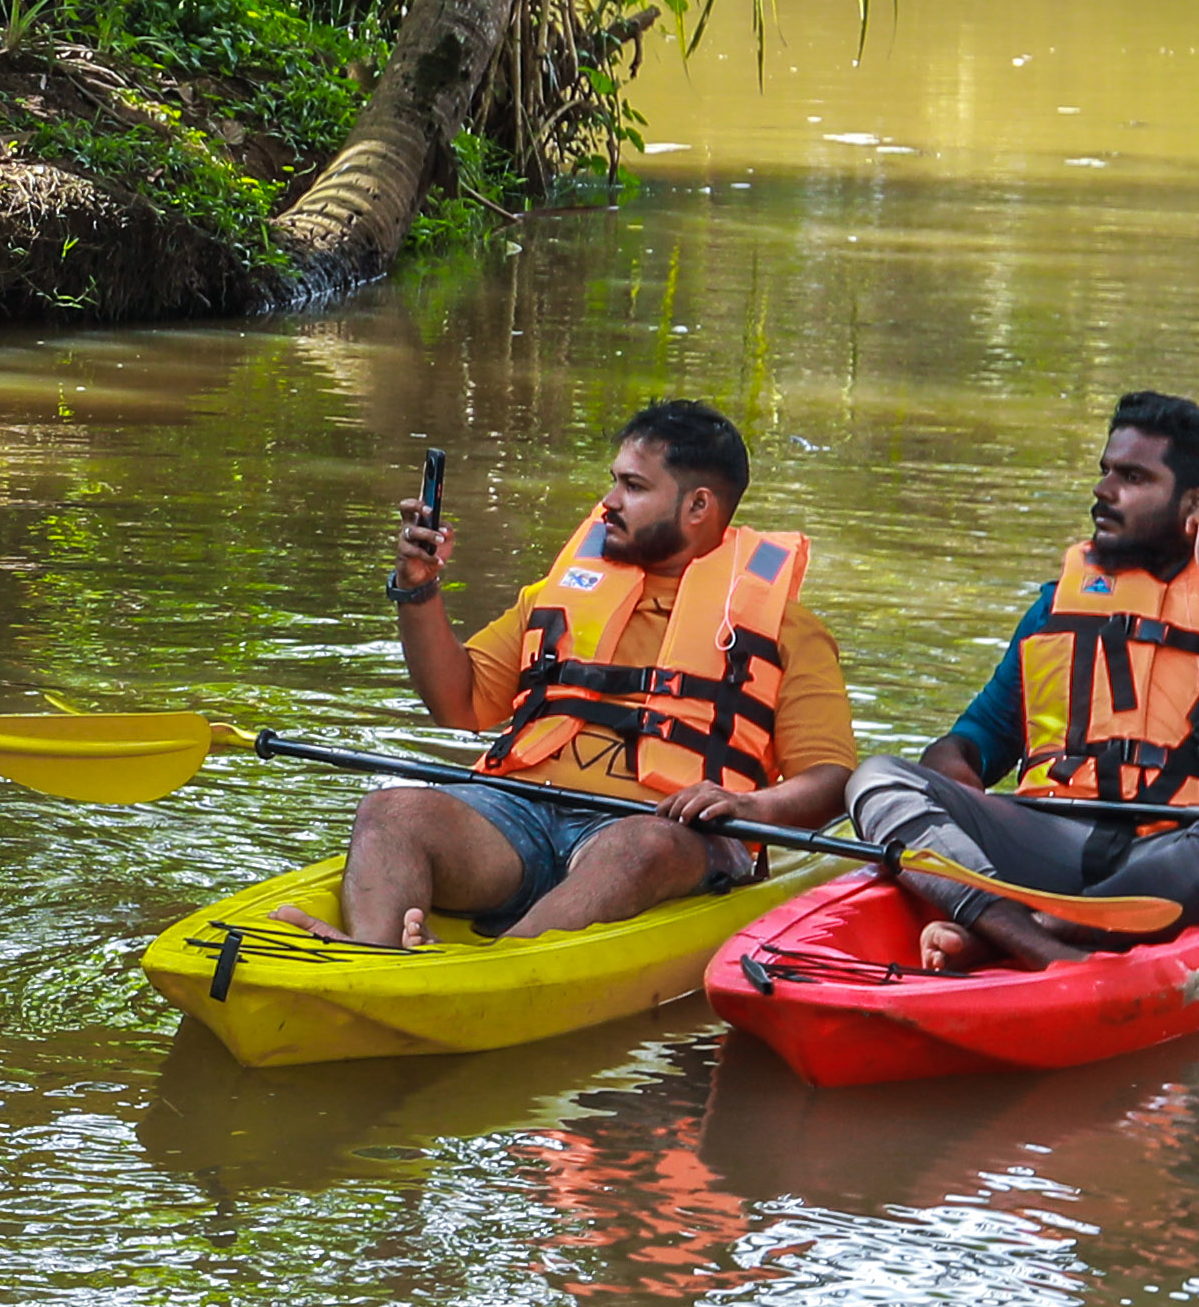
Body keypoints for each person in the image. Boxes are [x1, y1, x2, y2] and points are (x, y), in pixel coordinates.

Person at [839, 390, 1199, 968]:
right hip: (1049, 839)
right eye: (1106, 470)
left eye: (1132, 476)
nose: (1103, 490)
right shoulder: (1060, 603)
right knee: (877, 780)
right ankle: (1027, 935)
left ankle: (1016, 932)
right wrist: (955, 772)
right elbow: (981, 734)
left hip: (1178, 849)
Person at [346, 396, 855, 951]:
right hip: (518, 816)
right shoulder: (556, 597)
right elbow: (456, 703)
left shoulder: (788, 630)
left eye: (633, 487)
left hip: (662, 835)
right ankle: (370, 956)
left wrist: (751, 806)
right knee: (391, 810)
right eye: (614, 482)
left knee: (639, 847)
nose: (608, 502)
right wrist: (418, 587)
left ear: (698, 506)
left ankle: (493, 970)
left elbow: (830, 782)